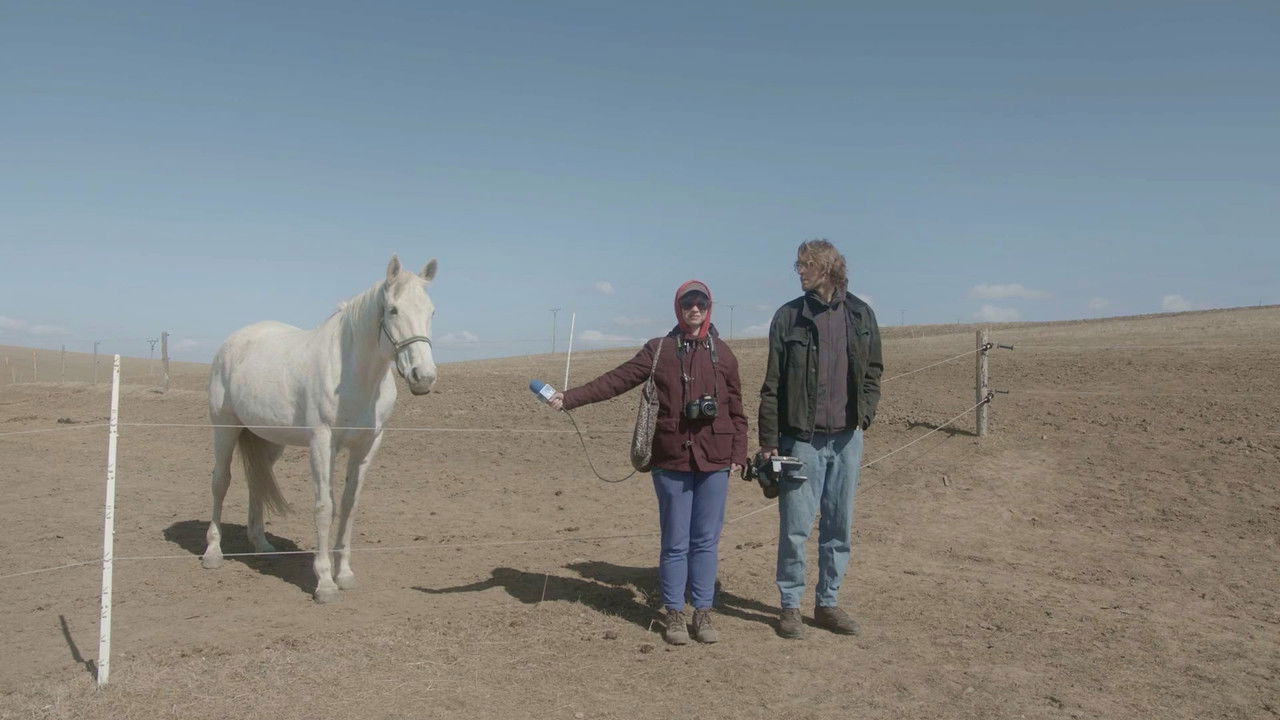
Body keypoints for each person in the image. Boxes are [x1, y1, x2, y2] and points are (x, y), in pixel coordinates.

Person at [548, 281, 748, 645]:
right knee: (675, 540)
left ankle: (703, 613)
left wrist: (738, 455)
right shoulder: (659, 350)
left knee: (705, 540)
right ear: (678, 308)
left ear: (709, 308)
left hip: (715, 459)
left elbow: (737, 410)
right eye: (688, 303)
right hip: (671, 458)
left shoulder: (724, 353)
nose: (695, 309)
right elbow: (617, 380)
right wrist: (571, 398)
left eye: (701, 303)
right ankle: (673, 613)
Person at [756, 239, 883, 639]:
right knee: (795, 527)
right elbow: (772, 384)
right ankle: (790, 607)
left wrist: (864, 413)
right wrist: (769, 440)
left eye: (805, 265)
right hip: (802, 440)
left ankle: (828, 603)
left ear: (828, 268)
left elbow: (874, 371)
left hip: (847, 439)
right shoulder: (788, 317)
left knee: (838, 526)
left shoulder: (860, 314)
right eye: (798, 265)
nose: (799, 271)